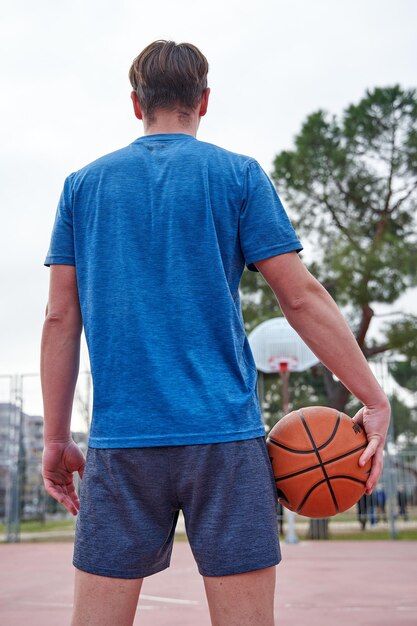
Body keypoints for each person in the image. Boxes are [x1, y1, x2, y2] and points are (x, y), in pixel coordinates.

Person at [41, 40, 391, 626]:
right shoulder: (238, 175)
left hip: (123, 441)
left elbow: (59, 318)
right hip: (225, 441)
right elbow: (300, 297)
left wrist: (56, 438)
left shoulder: (83, 187)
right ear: (203, 101)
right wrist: (373, 397)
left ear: (136, 104)